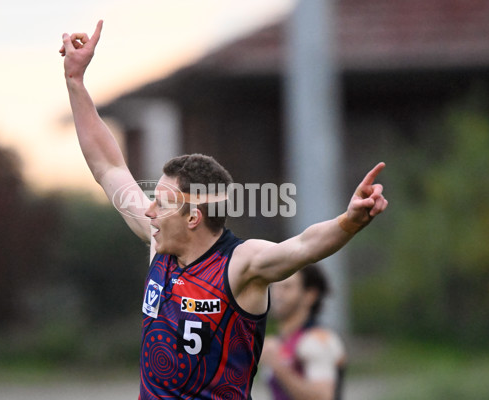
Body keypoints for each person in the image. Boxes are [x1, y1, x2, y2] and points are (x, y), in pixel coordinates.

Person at [59, 20, 388, 400]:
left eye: (162, 203)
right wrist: (75, 82)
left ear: (193, 217)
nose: (149, 211)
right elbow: (110, 167)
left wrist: (349, 221)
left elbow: (302, 246)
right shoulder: (159, 244)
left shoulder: (240, 265)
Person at [260, 264, 346, 400]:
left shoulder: (318, 340)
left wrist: (277, 365)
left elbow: (323, 396)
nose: (277, 294)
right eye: (274, 287)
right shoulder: (278, 342)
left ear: (310, 295)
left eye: (287, 287)